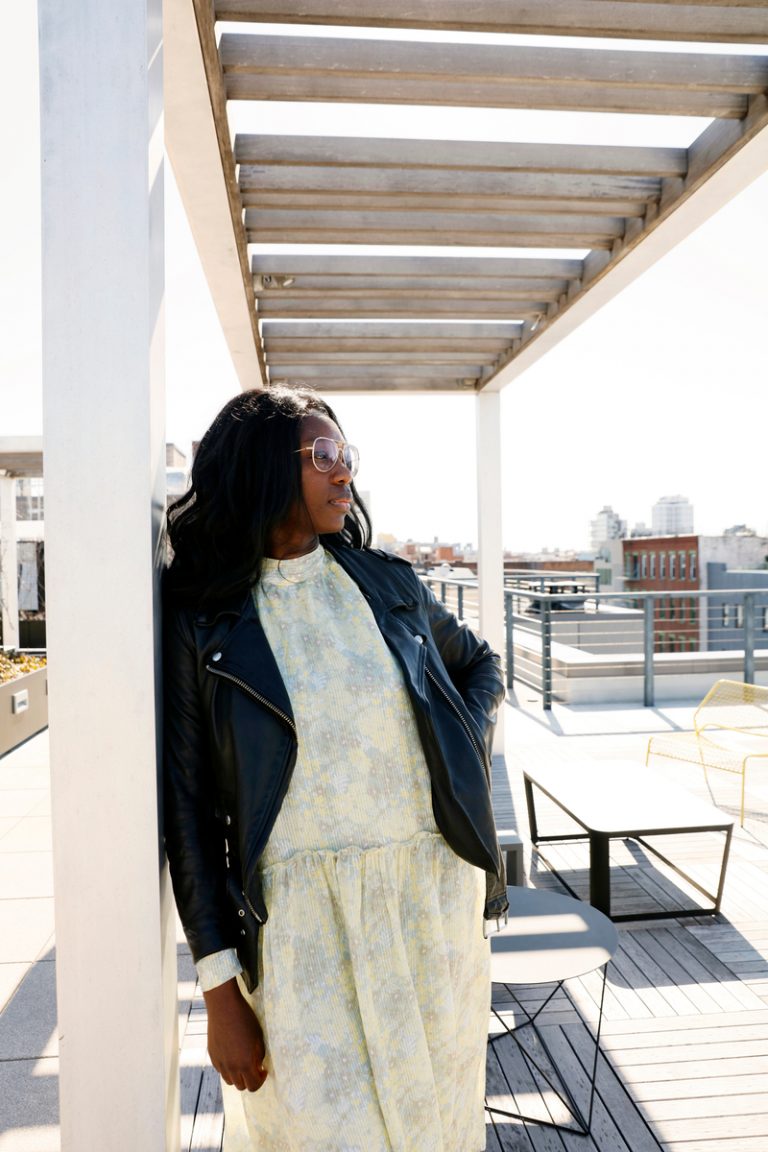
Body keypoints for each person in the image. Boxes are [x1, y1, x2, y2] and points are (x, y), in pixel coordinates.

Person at [163, 386, 508, 1152]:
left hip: (431, 912)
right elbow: (185, 808)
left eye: (346, 454)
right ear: (260, 469)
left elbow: (478, 667)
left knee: (436, 1136)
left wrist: (455, 748)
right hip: (301, 937)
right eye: (324, 455)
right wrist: (220, 987)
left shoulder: (387, 584)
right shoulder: (203, 616)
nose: (344, 472)